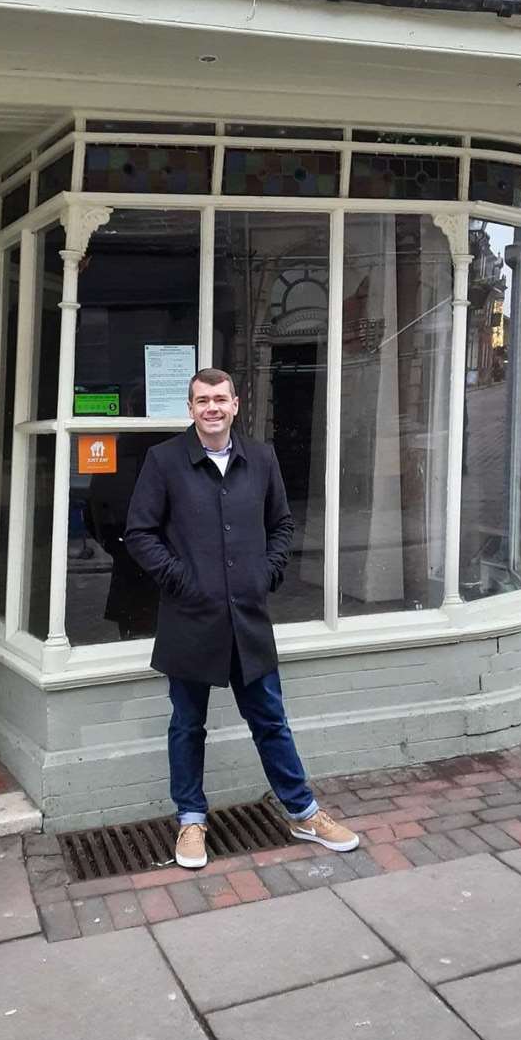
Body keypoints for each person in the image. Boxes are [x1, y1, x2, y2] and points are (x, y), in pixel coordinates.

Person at [125, 368, 359, 870]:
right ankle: (191, 819)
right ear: (190, 408)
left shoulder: (262, 458)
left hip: (248, 618)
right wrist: (182, 580)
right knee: (187, 725)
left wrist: (267, 573)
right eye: (202, 400)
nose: (212, 408)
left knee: (270, 720)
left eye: (220, 399)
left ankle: (303, 812)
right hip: (190, 618)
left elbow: (282, 523)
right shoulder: (164, 461)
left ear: (236, 404)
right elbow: (140, 533)